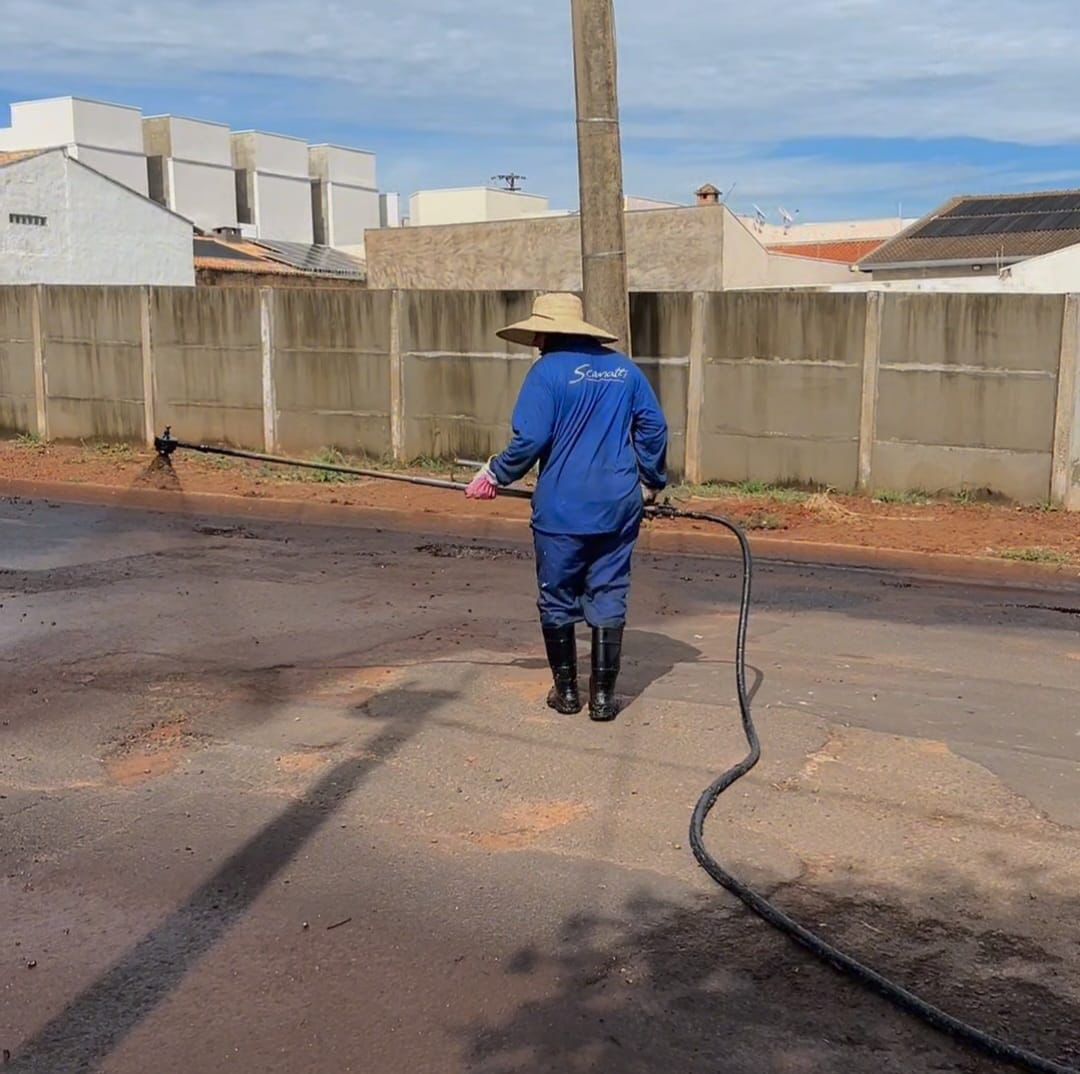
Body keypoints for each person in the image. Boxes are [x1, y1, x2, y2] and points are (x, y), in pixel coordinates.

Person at [465, 292, 668, 722]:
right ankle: (603, 699)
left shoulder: (546, 373)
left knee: (557, 596)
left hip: (562, 508)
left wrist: (496, 473)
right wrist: (651, 481)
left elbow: (531, 438)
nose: (536, 343)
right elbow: (654, 427)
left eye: (539, 334)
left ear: (548, 333)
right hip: (618, 505)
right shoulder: (625, 371)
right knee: (609, 590)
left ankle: (568, 693)